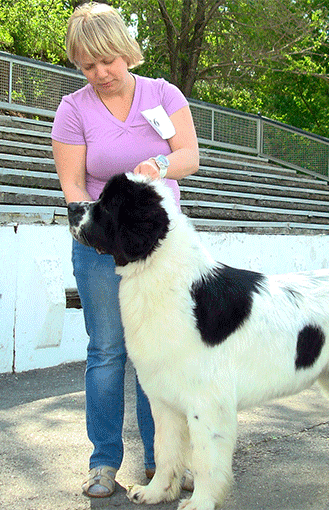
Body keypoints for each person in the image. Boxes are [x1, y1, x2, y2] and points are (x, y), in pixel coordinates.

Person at [51, 2, 199, 498]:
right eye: (88, 66)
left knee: (162, 354)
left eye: (107, 61)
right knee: (108, 351)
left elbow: (190, 157)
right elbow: (74, 190)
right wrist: (102, 238)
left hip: (161, 248)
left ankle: (165, 462)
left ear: (126, 51)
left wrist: (160, 162)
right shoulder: (73, 110)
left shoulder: (164, 94)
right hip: (103, 249)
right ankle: (103, 463)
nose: (101, 73)